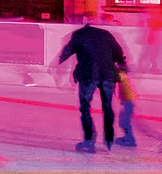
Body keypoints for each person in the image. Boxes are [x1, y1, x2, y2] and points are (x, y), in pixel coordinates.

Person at [53, 21, 127, 153]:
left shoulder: (79, 34)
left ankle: (89, 140)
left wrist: (57, 62)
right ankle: (109, 138)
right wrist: (121, 64)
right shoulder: (106, 34)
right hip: (108, 74)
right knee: (107, 106)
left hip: (88, 74)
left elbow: (68, 50)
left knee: (85, 107)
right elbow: (118, 51)